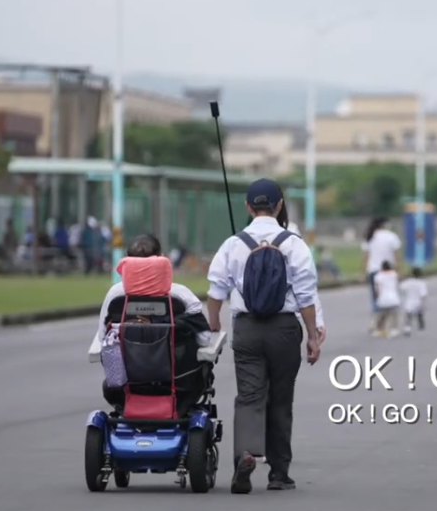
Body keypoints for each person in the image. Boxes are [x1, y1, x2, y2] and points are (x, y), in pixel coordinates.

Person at [206, 178, 321, 494]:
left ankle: (245, 455)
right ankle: (279, 474)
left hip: (247, 328)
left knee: (249, 396)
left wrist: (214, 323)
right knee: (281, 399)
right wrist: (312, 336)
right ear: (279, 206)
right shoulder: (294, 244)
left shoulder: (234, 243)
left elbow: (216, 290)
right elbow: (306, 297)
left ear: (247, 207)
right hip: (284, 329)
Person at [87, 234, 210, 407]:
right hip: (179, 384)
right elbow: (205, 339)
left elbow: (103, 338)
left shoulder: (115, 296)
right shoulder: (182, 296)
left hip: (124, 386)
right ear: (161, 259)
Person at [362, 216, 402, 334]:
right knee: (389, 296)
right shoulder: (392, 237)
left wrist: (362, 272)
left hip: (373, 270)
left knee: (376, 298)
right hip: (389, 271)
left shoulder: (370, 236)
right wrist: (399, 270)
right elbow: (397, 255)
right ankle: (385, 324)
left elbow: (365, 256)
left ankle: (376, 323)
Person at [373, 260, 402, 338]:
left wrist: (377, 298)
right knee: (394, 315)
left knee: (381, 316)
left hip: (383, 299)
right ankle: (394, 329)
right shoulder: (394, 274)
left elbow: (377, 289)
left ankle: (379, 330)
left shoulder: (378, 276)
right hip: (394, 299)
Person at [399, 266, 429, 335]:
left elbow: (401, 288)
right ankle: (421, 325)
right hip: (418, 301)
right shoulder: (421, 283)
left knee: (409, 316)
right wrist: (423, 304)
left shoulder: (408, 282)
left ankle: (407, 328)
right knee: (419, 313)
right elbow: (423, 294)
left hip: (409, 301)